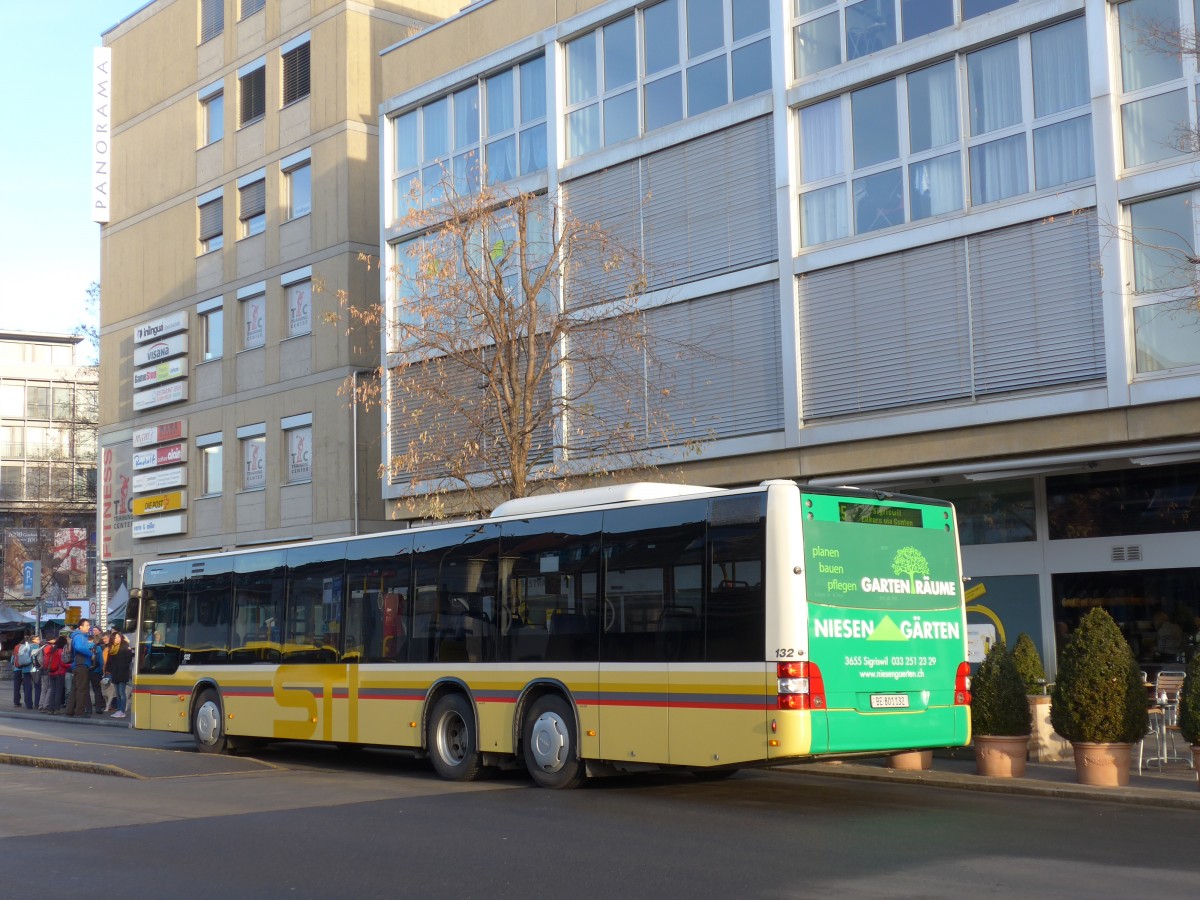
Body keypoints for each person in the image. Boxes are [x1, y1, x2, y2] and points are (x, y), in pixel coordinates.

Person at [64, 620, 95, 718]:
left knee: (75, 688)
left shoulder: (75, 636)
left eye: (89, 625)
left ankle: (70, 711)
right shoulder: (80, 636)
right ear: (80, 627)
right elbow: (80, 648)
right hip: (81, 664)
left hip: (76, 664)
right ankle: (79, 712)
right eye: (86, 625)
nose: (88, 627)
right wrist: (91, 654)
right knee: (82, 689)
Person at [106, 631, 133, 718]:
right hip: (115, 673)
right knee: (117, 693)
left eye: (119, 637)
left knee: (122, 692)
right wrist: (107, 670)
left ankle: (122, 710)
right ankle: (118, 710)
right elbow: (109, 660)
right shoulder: (112, 648)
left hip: (122, 672)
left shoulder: (125, 646)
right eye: (116, 637)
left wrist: (123, 667)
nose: (117, 639)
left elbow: (129, 659)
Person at [11, 631, 36, 710]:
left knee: (16, 687)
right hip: (27, 669)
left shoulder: (16, 647)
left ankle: (16, 702)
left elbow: (12, 660)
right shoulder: (29, 647)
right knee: (27, 687)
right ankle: (28, 704)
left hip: (17, 669)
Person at [44, 636, 67, 714]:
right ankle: (57, 709)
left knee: (52, 690)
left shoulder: (52, 650)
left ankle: (50, 709)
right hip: (59, 673)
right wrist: (71, 665)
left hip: (51, 672)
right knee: (58, 691)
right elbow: (63, 663)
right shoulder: (61, 651)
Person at [87, 627, 107, 714]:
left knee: (86, 690)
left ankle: (88, 708)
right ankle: (98, 708)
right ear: (93, 640)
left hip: (86, 671)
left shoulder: (83, 647)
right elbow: (101, 661)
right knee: (97, 690)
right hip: (96, 671)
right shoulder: (97, 648)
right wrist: (101, 671)